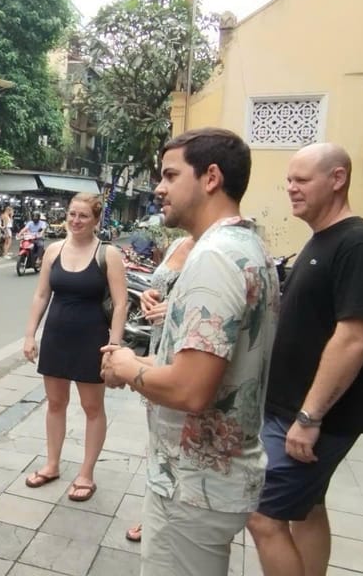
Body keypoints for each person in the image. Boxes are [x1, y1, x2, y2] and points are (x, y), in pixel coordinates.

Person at [100, 128, 278, 576]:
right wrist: (146, 363)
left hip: (193, 486)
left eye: (170, 175)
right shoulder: (248, 246)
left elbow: (191, 389)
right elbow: (215, 366)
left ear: (211, 177)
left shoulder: (213, 258)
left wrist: (125, 365)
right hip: (210, 479)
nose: (159, 188)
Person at [247, 143, 363, 576]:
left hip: (311, 418)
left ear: (338, 178)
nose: (291, 188)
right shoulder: (322, 238)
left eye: (302, 180)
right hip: (289, 409)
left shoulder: (360, 244)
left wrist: (309, 418)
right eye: (289, 179)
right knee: (306, 509)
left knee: (260, 514)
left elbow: (355, 338)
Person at [23, 193, 127, 502]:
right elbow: (41, 296)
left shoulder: (107, 254)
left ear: (96, 220)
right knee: (55, 404)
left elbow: (121, 304)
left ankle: (86, 473)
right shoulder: (54, 251)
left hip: (92, 341)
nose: (76, 220)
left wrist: (114, 345)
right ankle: (52, 464)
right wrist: (30, 335)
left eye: (83, 216)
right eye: (72, 214)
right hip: (56, 336)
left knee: (92, 408)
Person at [124, 233, 196, 543]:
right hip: (160, 344)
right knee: (157, 437)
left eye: (171, 179)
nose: (162, 190)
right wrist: (149, 297)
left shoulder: (217, 251)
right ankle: (155, 509)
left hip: (189, 350)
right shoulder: (179, 242)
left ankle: (177, 513)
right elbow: (162, 288)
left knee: (183, 439)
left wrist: (175, 310)